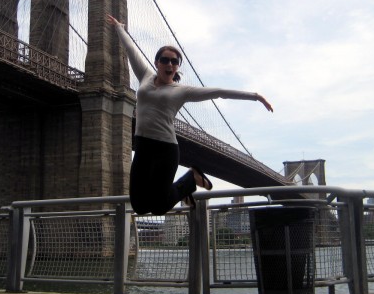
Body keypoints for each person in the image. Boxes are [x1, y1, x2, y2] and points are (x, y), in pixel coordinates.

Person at [107, 14, 273, 215]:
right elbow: (130, 49)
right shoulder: (145, 75)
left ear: (177, 66)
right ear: (157, 62)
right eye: (165, 60)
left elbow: (219, 92)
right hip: (142, 146)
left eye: (174, 62)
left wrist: (255, 96)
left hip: (165, 149)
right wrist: (119, 27)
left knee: (159, 207)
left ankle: (191, 178)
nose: (169, 64)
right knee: (140, 205)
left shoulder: (182, 91)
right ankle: (185, 189)